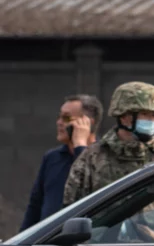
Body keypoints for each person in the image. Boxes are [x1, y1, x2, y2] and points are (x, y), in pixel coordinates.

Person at [64, 82, 154, 205]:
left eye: (153, 116)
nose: (151, 121)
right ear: (124, 116)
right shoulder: (92, 158)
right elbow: (71, 209)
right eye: (145, 114)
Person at [21, 94, 102, 230]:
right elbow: (35, 205)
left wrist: (80, 147)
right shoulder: (52, 157)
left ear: (87, 122)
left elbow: (91, 186)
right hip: (48, 241)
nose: (59, 122)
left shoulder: (104, 155)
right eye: (59, 117)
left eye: (66, 118)